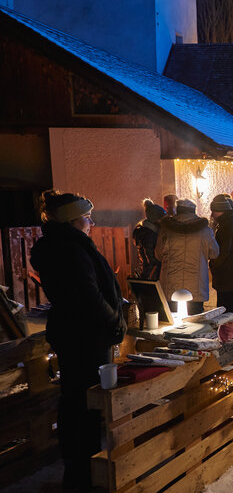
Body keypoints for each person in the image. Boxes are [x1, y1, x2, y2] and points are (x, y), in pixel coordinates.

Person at [30, 190, 127, 491]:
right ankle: (81, 474)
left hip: (79, 333)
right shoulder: (68, 248)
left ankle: (80, 470)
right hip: (84, 336)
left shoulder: (64, 244)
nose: (91, 221)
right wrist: (114, 320)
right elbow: (88, 296)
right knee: (82, 405)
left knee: (79, 402)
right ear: (72, 220)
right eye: (86, 216)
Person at [156, 199, 219, 315]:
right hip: (196, 286)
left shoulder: (166, 229)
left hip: (171, 284)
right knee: (196, 323)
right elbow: (214, 253)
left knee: (173, 322)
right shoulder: (205, 230)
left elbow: (159, 254)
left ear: (178, 211)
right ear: (193, 211)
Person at [132, 198, 166, 280]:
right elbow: (152, 260)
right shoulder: (149, 235)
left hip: (147, 274)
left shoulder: (145, 232)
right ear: (156, 220)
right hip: (152, 276)